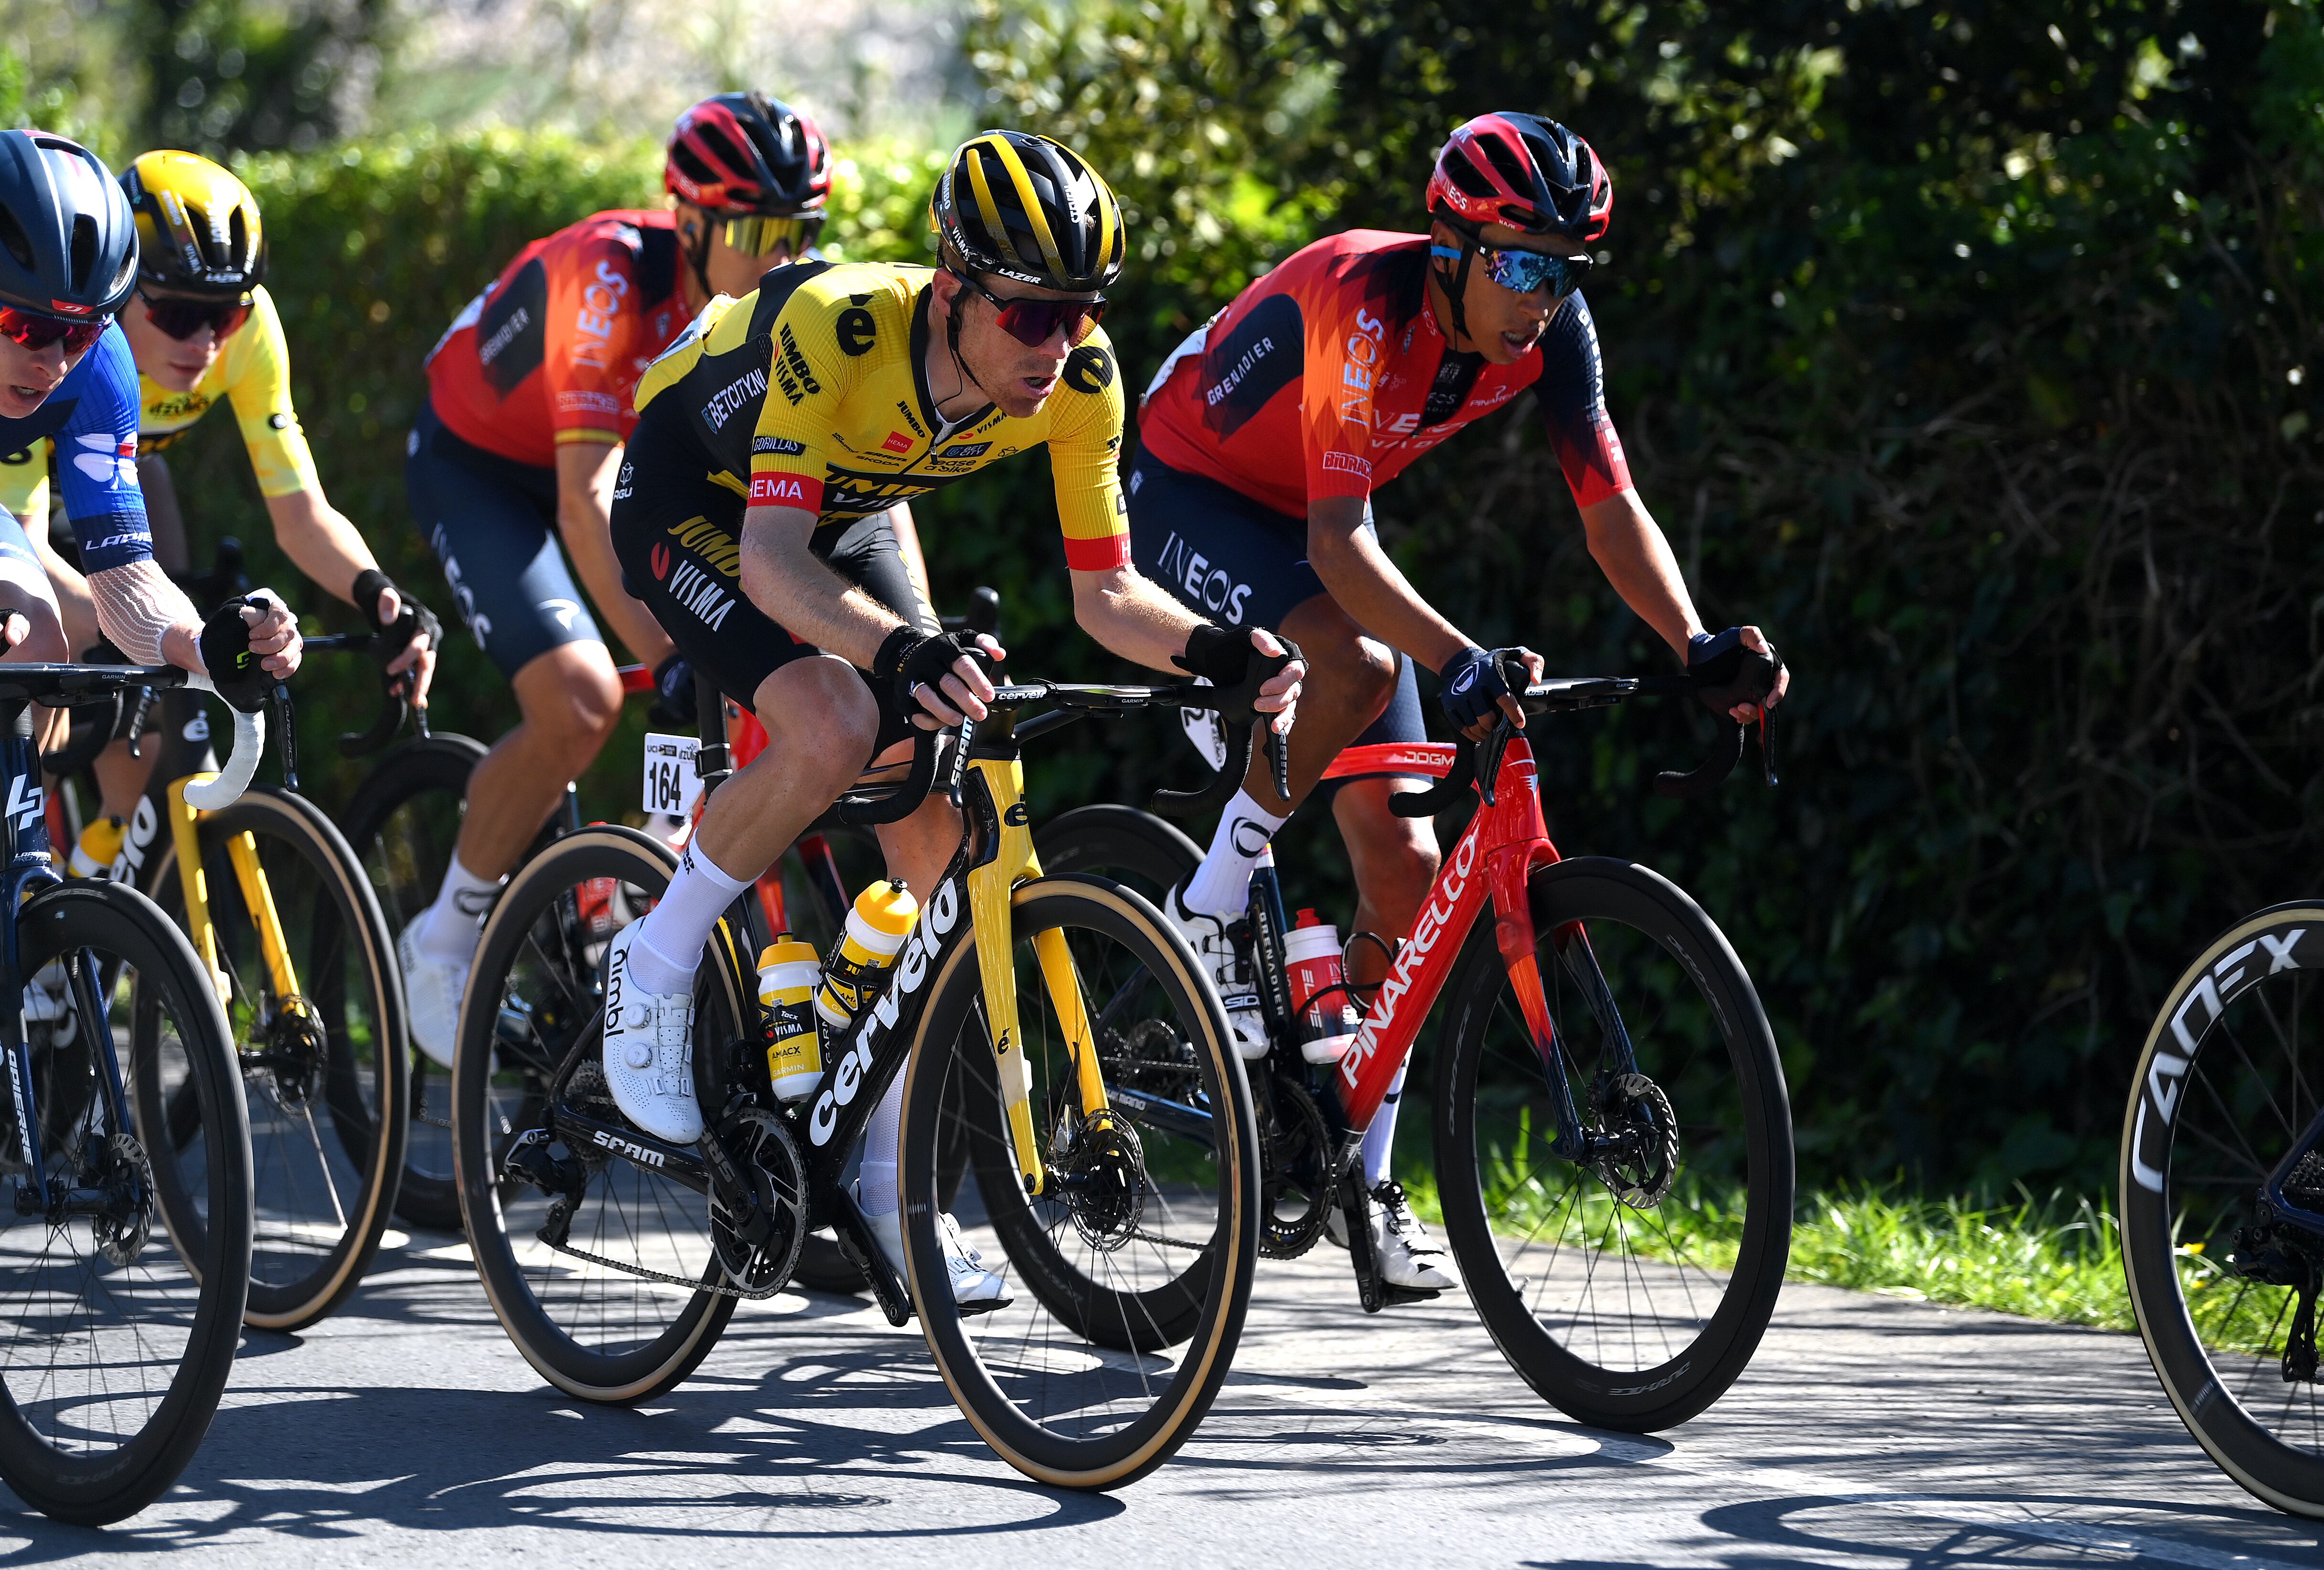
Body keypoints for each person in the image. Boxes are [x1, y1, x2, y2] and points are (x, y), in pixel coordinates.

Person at [604, 129, 1302, 1305]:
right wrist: (894, 643)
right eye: (1029, 314)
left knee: (939, 827)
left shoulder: (1079, 381)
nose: (1059, 342)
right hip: (699, 498)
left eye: (1079, 311)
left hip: (853, 500)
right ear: (953, 286)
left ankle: (890, 1193)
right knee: (827, 717)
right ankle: (656, 956)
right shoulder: (844, 326)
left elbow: (1106, 595)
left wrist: (1215, 648)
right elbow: (774, 560)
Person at [1128, 111, 1790, 1292]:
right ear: (1452, 244)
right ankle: (1212, 887)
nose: (1542, 295)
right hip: (1192, 489)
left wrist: (1692, 641)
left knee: (1408, 862)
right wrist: (1458, 657)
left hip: (1320, 519)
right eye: (1523, 262)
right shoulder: (1358, 299)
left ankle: (1360, 1175)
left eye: (1566, 268)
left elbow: (1606, 506)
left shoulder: (1551, 332)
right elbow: (1335, 549)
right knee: (1365, 667)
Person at [396, 92, 838, 1065]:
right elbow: (584, 499)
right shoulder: (609, 278)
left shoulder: (783, 303)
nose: (784, 255)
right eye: (761, 230)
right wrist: (677, 649)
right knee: (583, 696)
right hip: (483, 467)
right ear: (690, 221)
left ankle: (628, 888)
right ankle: (444, 934)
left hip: (617, 473)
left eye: (803, 230)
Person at [0, 131, 300, 790]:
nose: (53, 363)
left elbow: (124, 581)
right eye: (28, 329)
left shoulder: (102, 371)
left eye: (79, 332)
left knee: (41, 649)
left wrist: (203, 645)